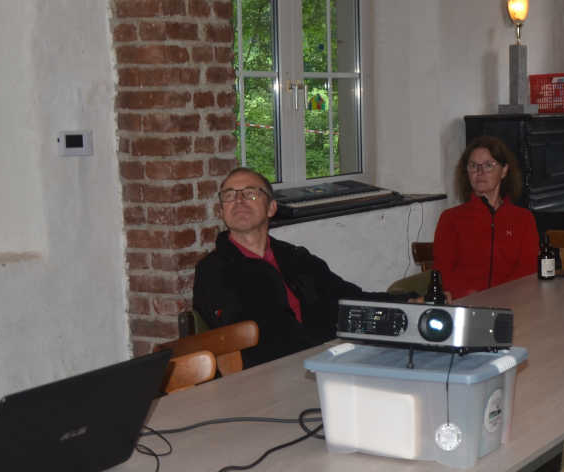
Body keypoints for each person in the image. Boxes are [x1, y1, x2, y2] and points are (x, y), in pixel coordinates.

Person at [192, 167, 395, 367]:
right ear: (222, 212)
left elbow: (347, 297)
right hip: (269, 372)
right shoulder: (212, 271)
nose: (239, 200)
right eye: (229, 195)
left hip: (324, 358)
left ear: (271, 208)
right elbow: (249, 336)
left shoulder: (295, 257)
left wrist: (405, 302)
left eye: (250, 193)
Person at [433, 136, 539, 300]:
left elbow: (527, 271)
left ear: (504, 171)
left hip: (513, 303)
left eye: (488, 165)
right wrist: (471, 296)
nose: (480, 172)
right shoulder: (451, 219)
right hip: (467, 304)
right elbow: (443, 273)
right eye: (473, 166)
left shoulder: (524, 219)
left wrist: (499, 298)